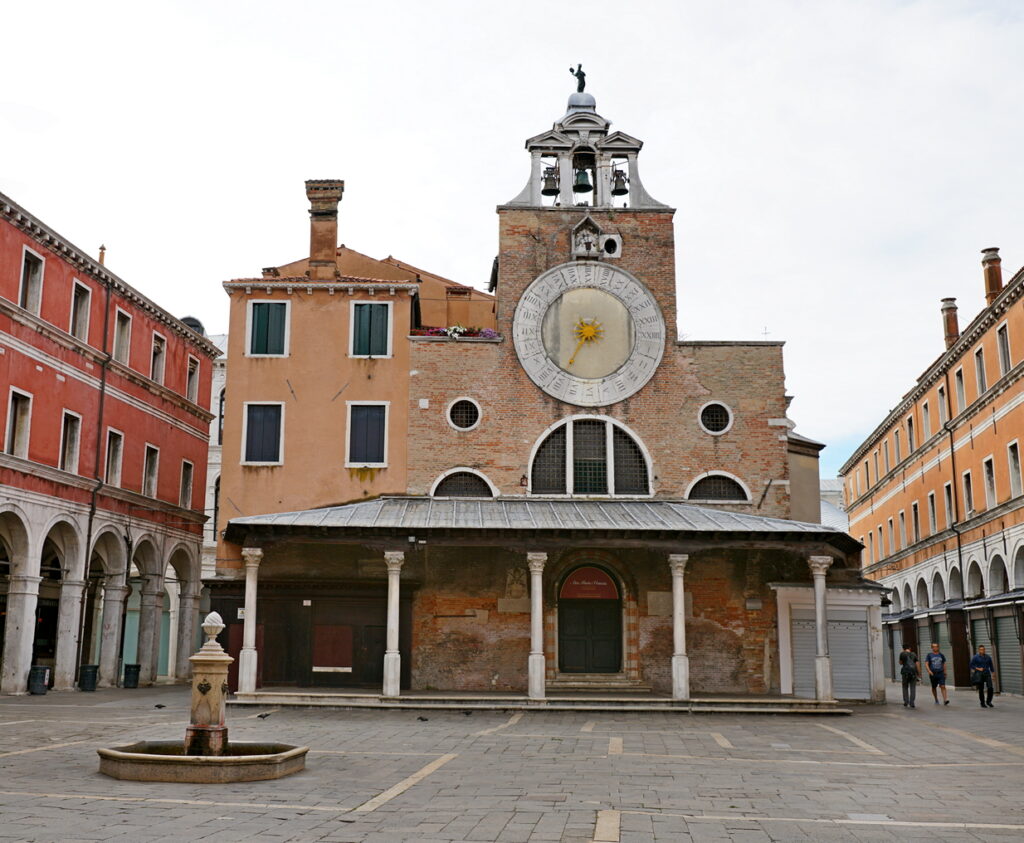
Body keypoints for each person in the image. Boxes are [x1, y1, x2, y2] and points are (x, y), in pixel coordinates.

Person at [898, 643, 920, 708]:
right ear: (909, 648)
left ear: (903, 649)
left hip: (905, 673)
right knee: (913, 687)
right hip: (913, 673)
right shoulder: (914, 654)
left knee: (905, 687)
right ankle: (912, 702)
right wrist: (919, 673)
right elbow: (917, 664)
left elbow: (900, 663)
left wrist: (902, 655)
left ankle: (906, 701)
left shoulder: (902, 654)